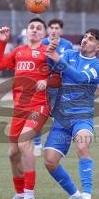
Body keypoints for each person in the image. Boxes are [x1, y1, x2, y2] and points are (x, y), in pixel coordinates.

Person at [0, 18, 61, 199]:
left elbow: (58, 78)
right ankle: (20, 194)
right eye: (32, 27)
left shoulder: (48, 52)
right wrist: (3, 41)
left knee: (24, 142)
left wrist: (47, 82)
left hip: (39, 105)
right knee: (13, 153)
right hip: (19, 108)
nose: (35, 30)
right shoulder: (18, 51)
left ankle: (30, 192)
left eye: (39, 28)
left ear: (44, 34)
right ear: (27, 31)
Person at [44, 29, 99, 199]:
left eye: (91, 38)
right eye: (85, 36)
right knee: (49, 161)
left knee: (82, 146)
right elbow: (52, 67)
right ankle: (75, 195)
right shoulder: (70, 54)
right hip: (62, 119)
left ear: (98, 46)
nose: (85, 40)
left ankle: (87, 195)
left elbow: (79, 78)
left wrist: (57, 59)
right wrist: (51, 53)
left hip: (82, 117)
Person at [34, 19, 73, 156]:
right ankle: (37, 144)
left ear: (61, 31)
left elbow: (68, 65)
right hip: (42, 86)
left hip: (59, 86)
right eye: (51, 28)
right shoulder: (41, 43)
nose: (54, 30)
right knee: (39, 114)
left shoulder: (67, 45)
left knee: (59, 117)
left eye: (57, 28)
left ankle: (55, 144)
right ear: (47, 30)